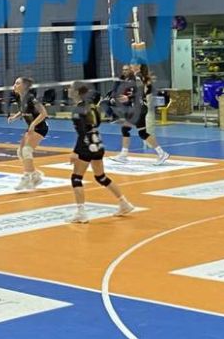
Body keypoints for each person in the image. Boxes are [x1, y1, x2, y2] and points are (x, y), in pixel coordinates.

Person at [66, 82, 134, 224]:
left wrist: (75, 152)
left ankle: (81, 213)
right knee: (101, 177)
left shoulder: (78, 109)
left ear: (77, 92)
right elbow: (95, 125)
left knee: (76, 178)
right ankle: (124, 203)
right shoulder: (92, 106)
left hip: (86, 145)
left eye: (71, 88)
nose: (68, 90)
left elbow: (82, 132)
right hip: (97, 143)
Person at [112, 64, 169, 165]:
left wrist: (129, 98)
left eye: (132, 64)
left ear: (138, 66)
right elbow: (147, 90)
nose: (131, 66)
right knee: (141, 133)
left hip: (138, 109)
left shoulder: (138, 77)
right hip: (140, 108)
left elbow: (140, 92)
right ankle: (161, 153)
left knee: (126, 129)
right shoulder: (137, 77)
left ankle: (124, 155)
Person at [8, 76, 48, 191]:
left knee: (26, 150)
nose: (14, 85)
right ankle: (35, 176)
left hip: (40, 128)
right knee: (20, 152)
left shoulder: (31, 98)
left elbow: (44, 113)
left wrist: (33, 124)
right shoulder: (19, 97)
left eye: (17, 83)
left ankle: (26, 177)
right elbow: (23, 110)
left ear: (24, 86)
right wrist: (15, 117)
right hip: (32, 128)